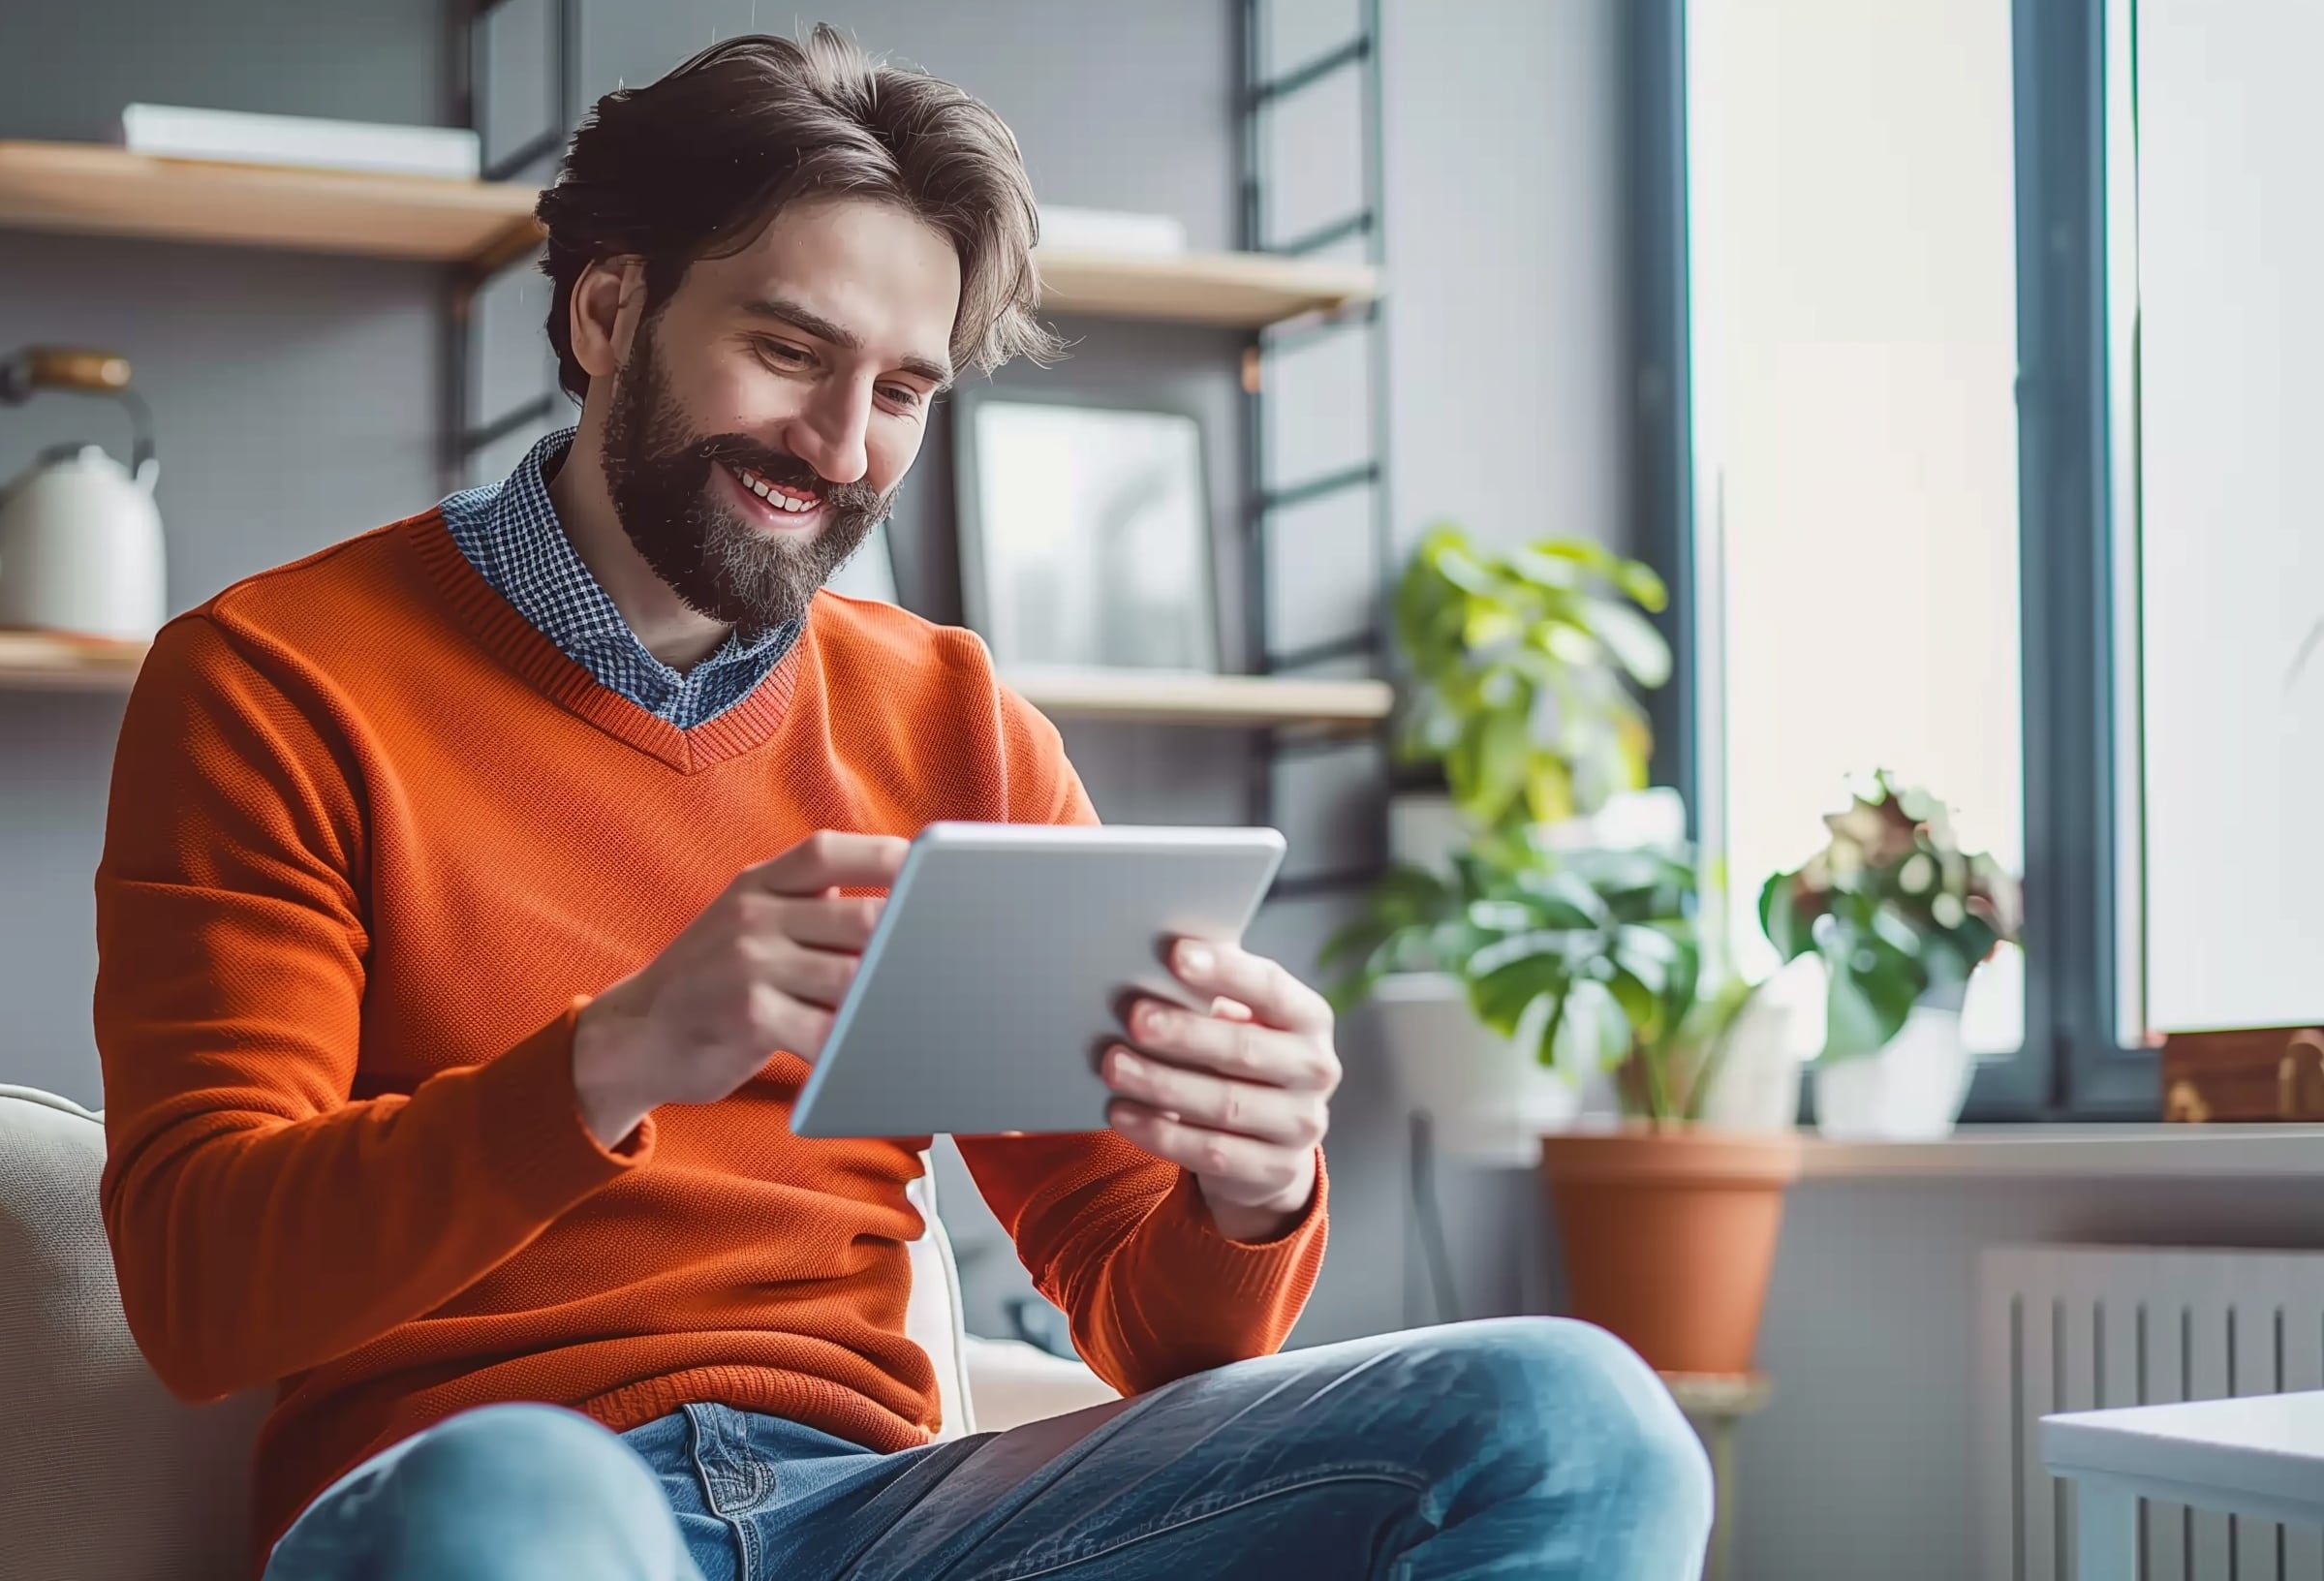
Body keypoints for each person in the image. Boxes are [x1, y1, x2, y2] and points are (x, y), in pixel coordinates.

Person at [92, 26, 1710, 1581]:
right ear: (605, 313)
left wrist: (1253, 1185)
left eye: (902, 391)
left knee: (1576, 1421)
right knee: (521, 1498)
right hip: (498, 1500)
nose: (838, 444)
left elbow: (1151, 1328)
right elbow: (200, 1291)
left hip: (879, 1517)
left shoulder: (953, 721)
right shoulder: (274, 680)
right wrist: (620, 1053)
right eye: (789, 351)